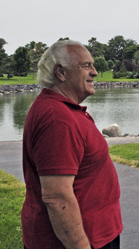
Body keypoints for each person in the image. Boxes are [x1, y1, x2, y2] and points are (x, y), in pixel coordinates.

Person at [21, 40, 122, 249]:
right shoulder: (57, 120)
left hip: (98, 235)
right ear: (61, 72)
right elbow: (57, 198)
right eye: (86, 66)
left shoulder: (64, 110)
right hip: (79, 241)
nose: (95, 72)